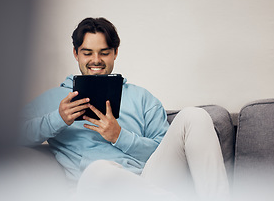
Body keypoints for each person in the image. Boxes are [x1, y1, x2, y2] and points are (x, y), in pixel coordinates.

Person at [21, 17, 229, 201]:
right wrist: (58, 118)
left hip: (149, 181)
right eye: (87, 53)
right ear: (76, 53)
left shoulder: (142, 98)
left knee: (195, 115)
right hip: (97, 188)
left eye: (104, 53)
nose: (96, 60)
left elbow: (164, 151)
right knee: (99, 170)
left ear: (115, 53)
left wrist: (119, 136)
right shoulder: (56, 99)